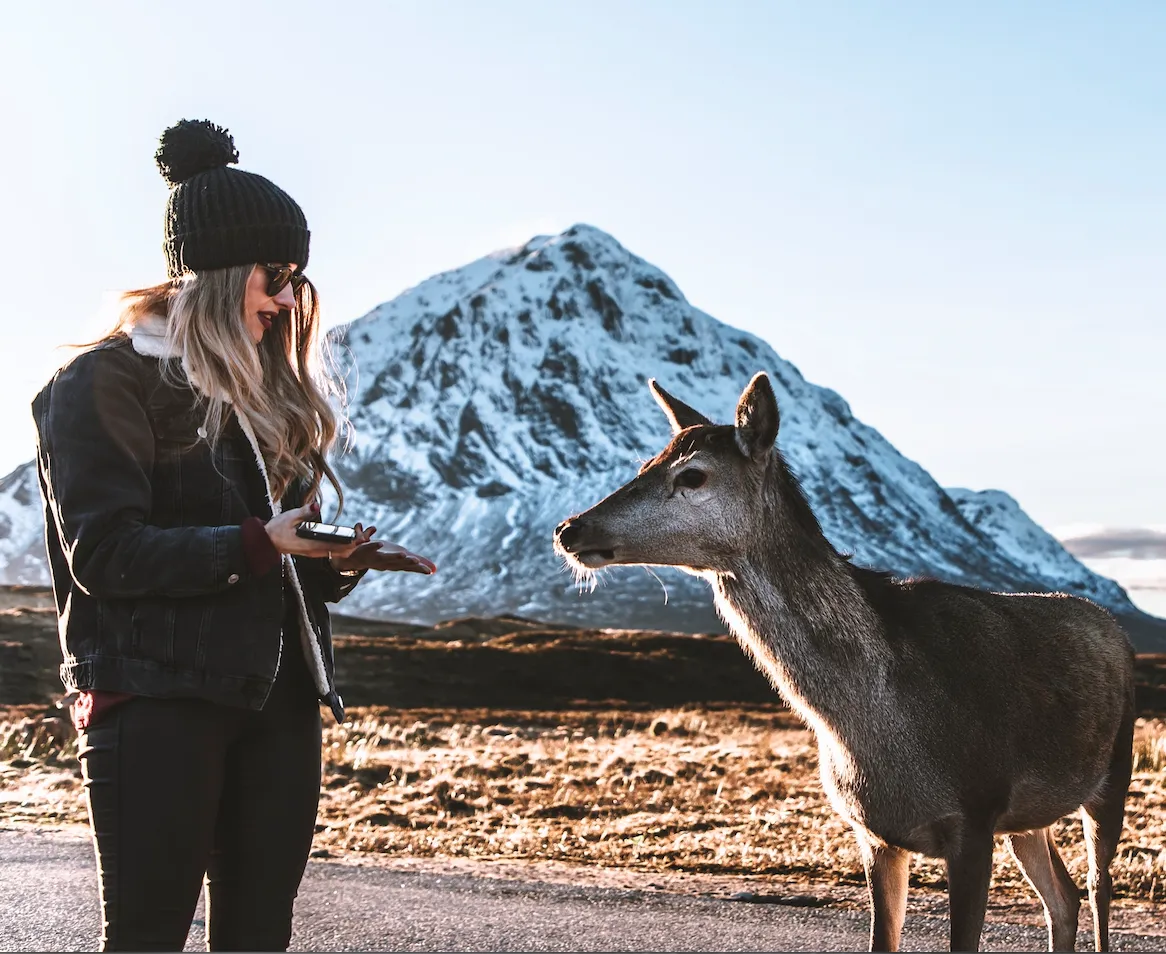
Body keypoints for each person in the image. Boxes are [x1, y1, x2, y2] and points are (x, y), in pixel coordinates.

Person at [31, 118, 436, 952]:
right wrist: (261, 543)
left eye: (298, 280)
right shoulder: (104, 382)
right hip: (155, 703)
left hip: (280, 703)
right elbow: (102, 554)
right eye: (276, 274)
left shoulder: (265, 397)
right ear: (217, 271)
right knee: (146, 938)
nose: (290, 299)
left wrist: (333, 561)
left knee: (259, 940)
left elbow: (271, 556)